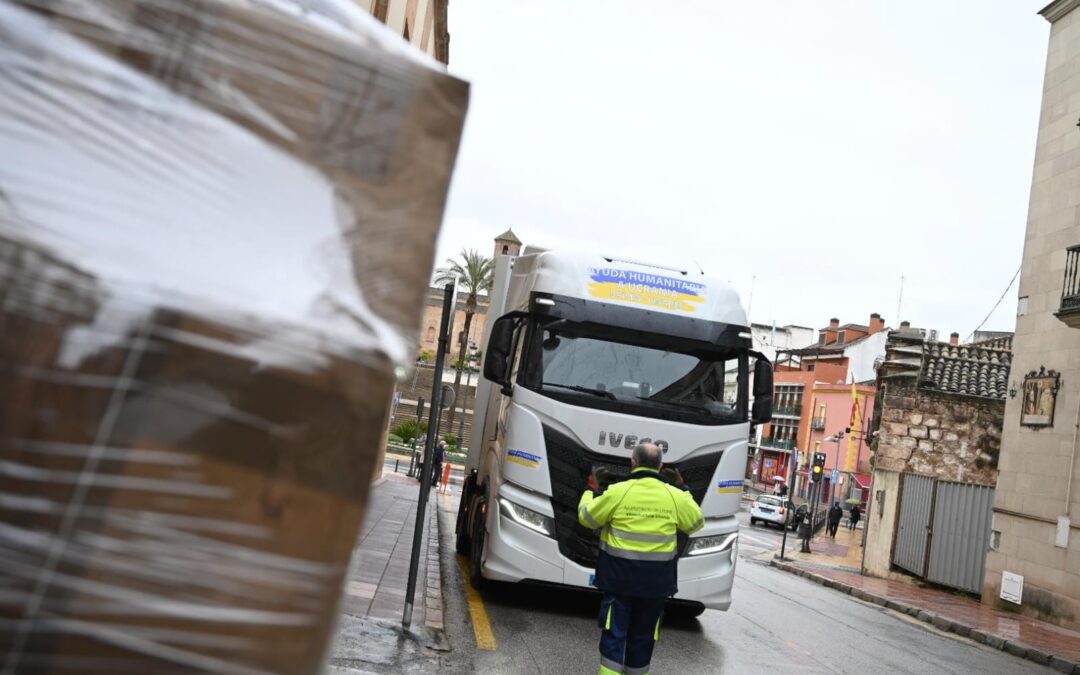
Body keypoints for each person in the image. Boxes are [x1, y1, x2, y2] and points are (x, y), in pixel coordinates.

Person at [578, 443, 704, 675]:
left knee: (615, 636)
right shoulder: (674, 496)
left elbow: (587, 518)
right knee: (643, 639)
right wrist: (683, 488)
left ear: (633, 463)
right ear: (661, 467)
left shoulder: (618, 491)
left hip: (619, 582)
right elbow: (696, 522)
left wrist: (591, 489)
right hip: (655, 586)